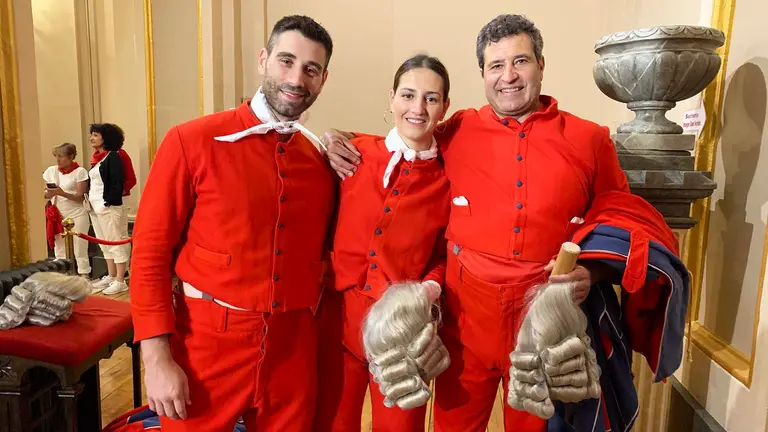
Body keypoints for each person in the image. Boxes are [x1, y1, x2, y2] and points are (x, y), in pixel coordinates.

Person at [323, 14, 629, 432]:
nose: (509, 76)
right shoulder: (459, 129)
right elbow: (410, 137)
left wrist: (591, 272)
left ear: (541, 64)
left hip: (539, 325)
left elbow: (621, 224)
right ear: (483, 74)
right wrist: (334, 140)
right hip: (465, 324)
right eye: (496, 66)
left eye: (520, 62)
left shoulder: (590, 139)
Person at [129, 15, 337, 431]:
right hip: (206, 345)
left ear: (323, 79)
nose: (297, 78)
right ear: (263, 59)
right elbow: (150, 254)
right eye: (286, 61)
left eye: (311, 70)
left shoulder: (321, 160)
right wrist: (156, 358)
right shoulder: (192, 141)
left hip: (293, 348)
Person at [314, 54, 452, 432]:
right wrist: (328, 138)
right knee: (333, 423)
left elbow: (445, 254)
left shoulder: (448, 178)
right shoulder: (352, 153)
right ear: (391, 98)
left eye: (431, 98)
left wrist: (427, 290)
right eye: (408, 95)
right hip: (338, 316)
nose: (417, 108)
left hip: (402, 328)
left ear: (444, 107)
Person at [88, 123, 132, 295]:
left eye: (96, 135)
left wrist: (107, 203)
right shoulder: (98, 159)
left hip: (108, 207)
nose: (92, 138)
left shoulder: (113, 157)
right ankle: (112, 275)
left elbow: (117, 182)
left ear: (106, 138)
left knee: (115, 242)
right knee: (104, 244)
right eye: (91, 135)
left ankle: (120, 279)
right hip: (95, 207)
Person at [43, 143, 91, 276]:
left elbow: (80, 197)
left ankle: (84, 274)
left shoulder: (80, 172)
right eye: (56, 156)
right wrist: (49, 194)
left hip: (77, 214)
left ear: (70, 157)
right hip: (58, 214)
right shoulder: (51, 171)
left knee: (79, 247)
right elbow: (44, 193)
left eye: (61, 156)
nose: (57, 160)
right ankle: (62, 274)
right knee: (60, 247)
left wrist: (61, 192)